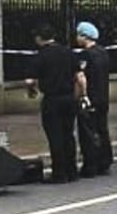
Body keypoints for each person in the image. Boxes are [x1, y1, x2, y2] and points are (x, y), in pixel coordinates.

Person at [25, 26, 78, 183]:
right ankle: (72, 171)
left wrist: (31, 91)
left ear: (40, 38)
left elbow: (29, 80)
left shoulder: (41, 56)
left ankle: (59, 173)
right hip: (69, 98)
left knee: (55, 136)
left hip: (52, 99)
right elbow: (79, 77)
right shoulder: (68, 52)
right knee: (68, 134)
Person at [74, 22, 113, 177]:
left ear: (85, 36)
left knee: (88, 132)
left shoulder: (86, 55)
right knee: (102, 130)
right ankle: (105, 161)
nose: (77, 38)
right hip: (103, 97)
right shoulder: (103, 52)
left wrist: (82, 96)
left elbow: (82, 78)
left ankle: (91, 165)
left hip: (90, 97)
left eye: (78, 35)